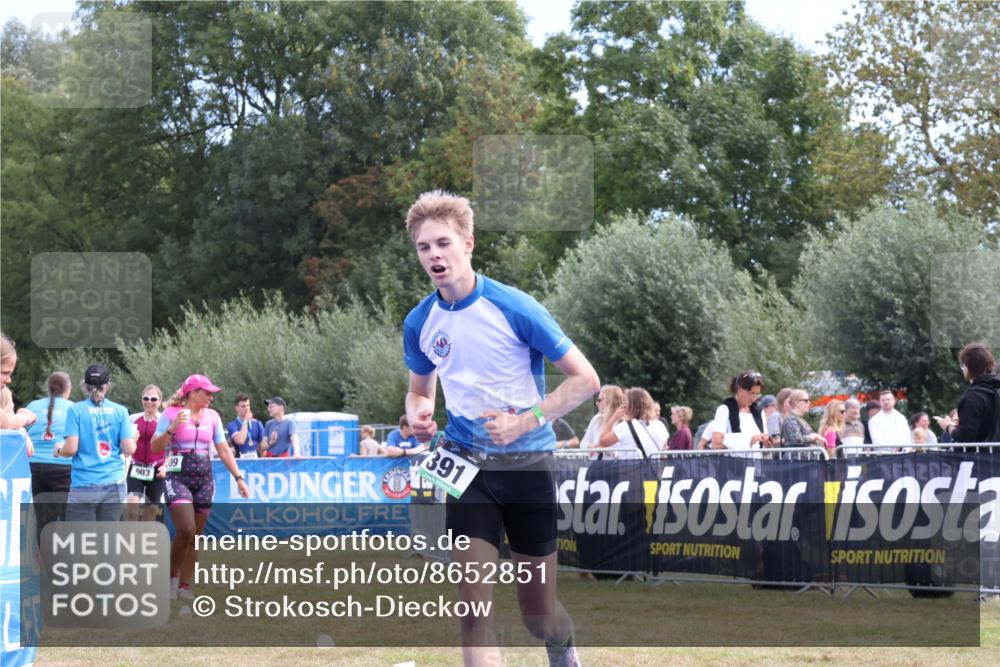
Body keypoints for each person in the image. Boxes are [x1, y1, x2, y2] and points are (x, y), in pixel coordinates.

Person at [401, 190, 599, 667]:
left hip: (529, 466)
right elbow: (419, 390)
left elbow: (586, 380)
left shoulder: (514, 306)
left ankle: (561, 646)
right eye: (425, 247)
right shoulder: (419, 322)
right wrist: (418, 413)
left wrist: (524, 421)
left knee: (539, 615)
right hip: (467, 468)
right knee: (472, 607)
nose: (434, 255)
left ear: (468, 244)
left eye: (443, 243)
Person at [151, 374, 248, 601]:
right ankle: (170, 581)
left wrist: (238, 478)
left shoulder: (212, 417)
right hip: (178, 478)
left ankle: (185, 587)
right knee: (186, 529)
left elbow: (223, 450)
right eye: (207, 393)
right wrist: (172, 429)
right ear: (193, 393)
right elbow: (155, 446)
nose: (211, 398)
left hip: (204, 480)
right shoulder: (171, 414)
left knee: (195, 536)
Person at [59, 363, 136, 521]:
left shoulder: (75, 410)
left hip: (84, 484)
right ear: (107, 385)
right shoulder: (120, 411)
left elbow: (71, 449)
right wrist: (134, 438)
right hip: (114, 482)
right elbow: (129, 449)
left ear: (86, 386)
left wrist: (59, 450)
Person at [24, 372, 74, 534]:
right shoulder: (73, 409)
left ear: (48, 388)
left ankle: (46, 558)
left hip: (35, 468)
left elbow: (21, 434)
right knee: (68, 520)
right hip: (64, 468)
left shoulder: (33, 406)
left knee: (43, 522)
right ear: (68, 389)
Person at [126, 384, 165, 522]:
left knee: (150, 515)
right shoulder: (132, 419)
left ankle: (145, 541)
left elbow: (174, 447)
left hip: (157, 470)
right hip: (136, 467)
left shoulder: (164, 421)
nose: (149, 402)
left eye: (153, 399)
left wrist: (166, 466)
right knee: (132, 509)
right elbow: (124, 443)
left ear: (160, 401)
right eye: (146, 398)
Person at [597, 387, 668, 459]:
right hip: (652, 469)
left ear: (631, 406)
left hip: (630, 468)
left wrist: (614, 418)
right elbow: (663, 449)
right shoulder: (660, 425)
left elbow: (602, 442)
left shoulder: (625, 427)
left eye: (625, 402)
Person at [952, 342, 1000, 445]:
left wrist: (949, 427)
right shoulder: (996, 390)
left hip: (978, 458)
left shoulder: (972, 397)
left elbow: (965, 439)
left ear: (968, 367)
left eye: (962, 365)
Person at [709, 371, 771, 451]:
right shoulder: (725, 409)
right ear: (739, 389)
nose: (754, 398)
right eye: (751, 393)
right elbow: (716, 443)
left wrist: (768, 442)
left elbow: (764, 445)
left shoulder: (759, 412)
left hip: (756, 462)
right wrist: (750, 440)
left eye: (757, 394)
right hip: (732, 462)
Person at [0, 332, 38, 438]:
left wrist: (21, 430)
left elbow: (9, 426)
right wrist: (25, 418)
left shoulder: (4, 392)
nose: (9, 380)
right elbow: (6, 422)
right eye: (5, 372)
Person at [579, 385, 624, 452]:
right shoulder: (596, 419)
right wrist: (590, 446)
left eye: (599, 400)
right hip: (597, 461)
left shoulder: (623, 422)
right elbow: (582, 444)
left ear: (610, 401)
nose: (597, 403)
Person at [226, 393, 265, 458]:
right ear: (236, 408)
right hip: (240, 461)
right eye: (243, 406)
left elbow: (262, 447)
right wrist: (245, 421)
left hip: (256, 461)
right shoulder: (232, 425)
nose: (246, 408)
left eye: (248, 405)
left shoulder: (257, 423)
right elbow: (240, 441)